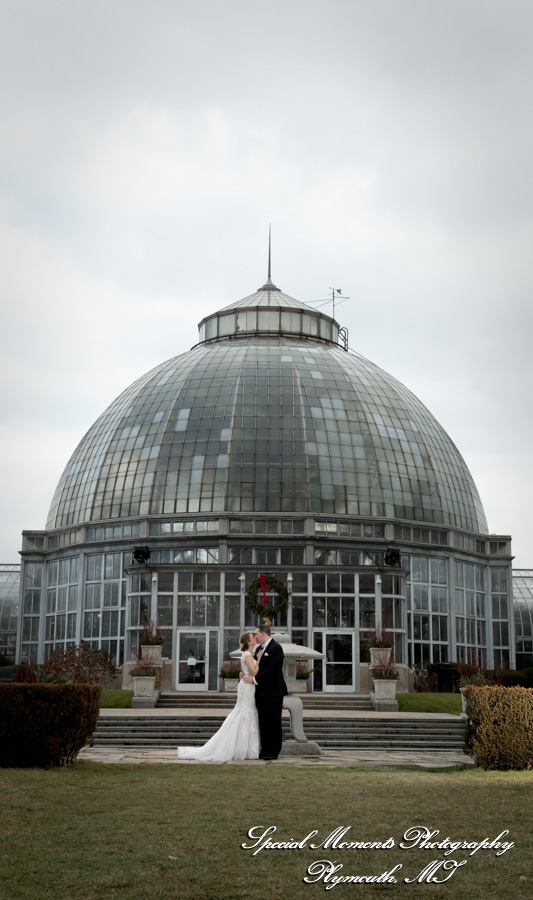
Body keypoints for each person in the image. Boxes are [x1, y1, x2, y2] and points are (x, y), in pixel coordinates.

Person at [177, 633, 260, 762]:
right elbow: (254, 671)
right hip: (247, 687)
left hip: (246, 685)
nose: (255, 638)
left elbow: (247, 671)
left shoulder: (247, 655)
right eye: (252, 637)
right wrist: (259, 659)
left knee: (244, 711)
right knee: (244, 712)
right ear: (249, 642)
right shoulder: (248, 655)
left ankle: (243, 746)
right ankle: (239, 747)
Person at [242, 624, 287, 760]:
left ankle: (274, 751)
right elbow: (255, 667)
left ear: (263, 634)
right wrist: (243, 673)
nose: (255, 636)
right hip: (261, 693)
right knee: (263, 722)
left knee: (273, 721)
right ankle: (265, 749)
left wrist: (254, 680)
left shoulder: (276, 648)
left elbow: (272, 670)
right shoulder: (259, 649)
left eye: (256, 634)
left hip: (274, 692)